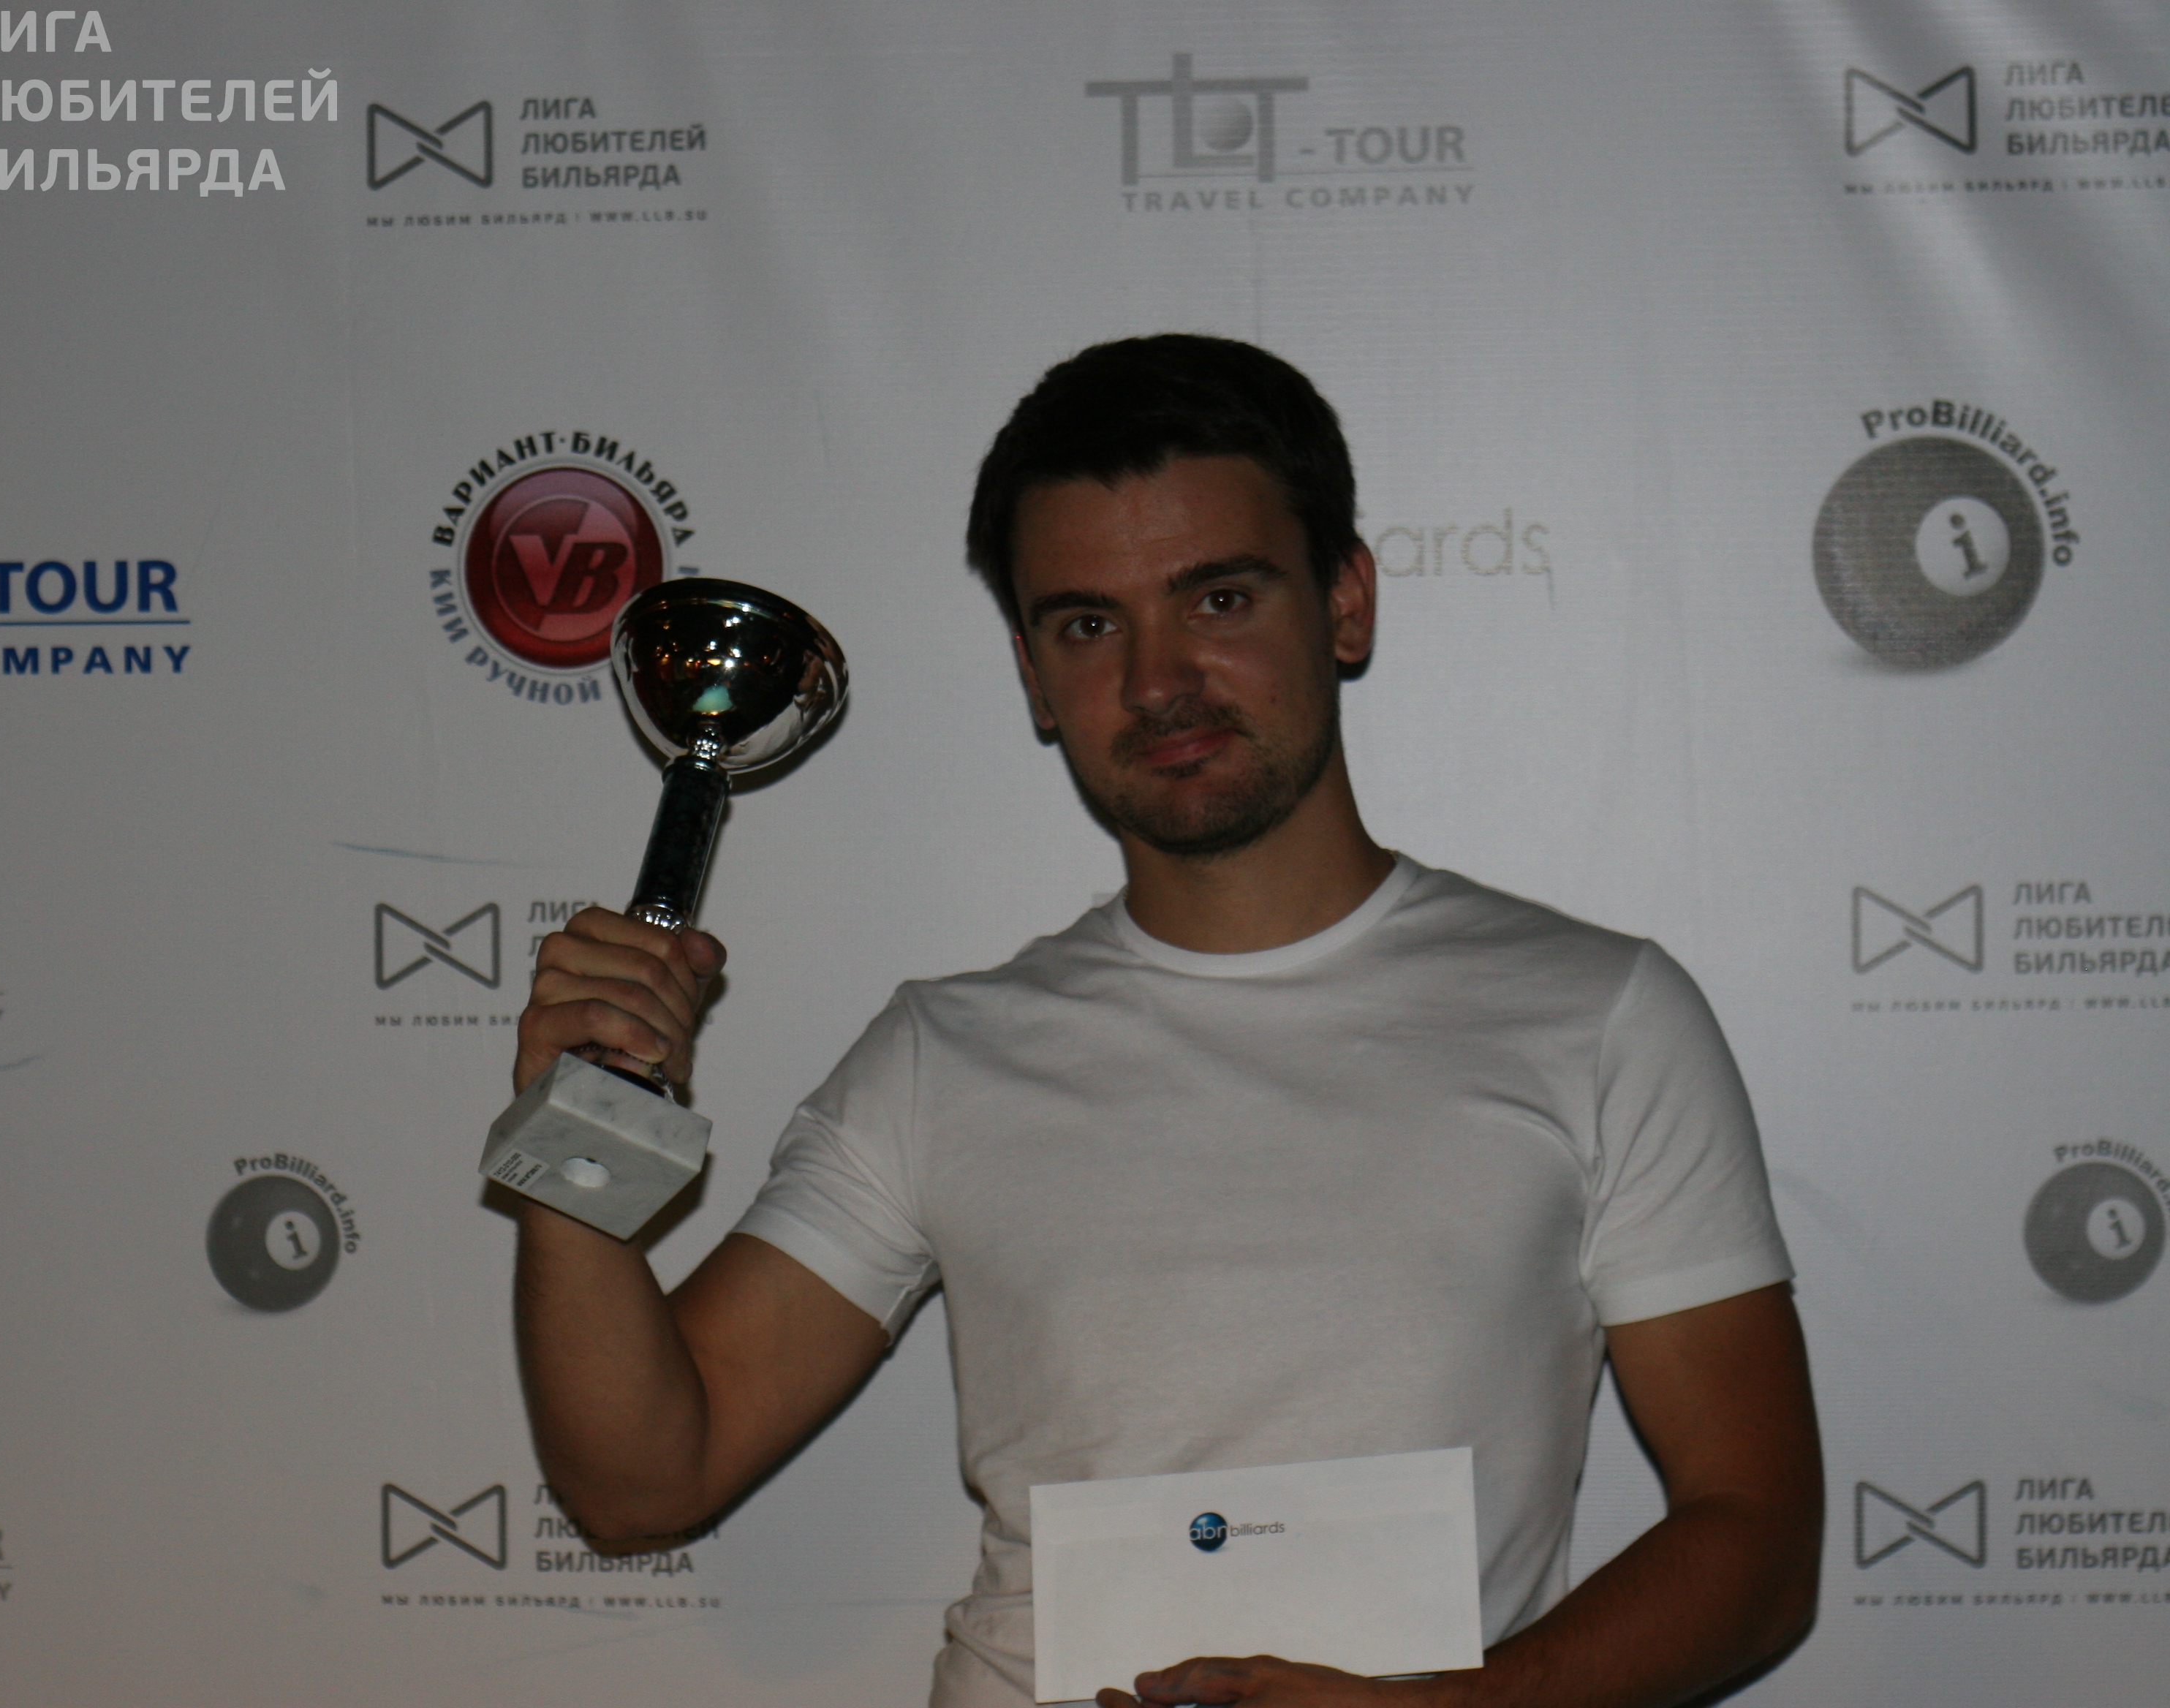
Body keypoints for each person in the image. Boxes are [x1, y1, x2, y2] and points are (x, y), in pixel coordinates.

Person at [504, 334, 1822, 1708]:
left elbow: (1758, 1537)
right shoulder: (942, 1057)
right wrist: (580, 1127)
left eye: (1220, 599)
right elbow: (641, 1481)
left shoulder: (1597, 1016)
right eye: (1088, 625)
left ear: (1345, 602)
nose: (1156, 680)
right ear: (1032, 675)